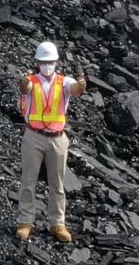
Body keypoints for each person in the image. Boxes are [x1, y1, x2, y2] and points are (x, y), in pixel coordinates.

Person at [15, 41, 89, 243]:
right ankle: (25, 222)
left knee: (57, 183)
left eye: (50, 62)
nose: (47, 65)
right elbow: (25, 89)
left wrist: (80, 86)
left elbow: (74, 90)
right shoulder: (32, 81)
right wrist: (23, 84)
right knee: (28, 181)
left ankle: (57, 223)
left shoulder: (63, 82)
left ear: (57, 62)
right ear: (37, 62)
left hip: (57, 138)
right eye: (43, 62)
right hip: (34, 136)